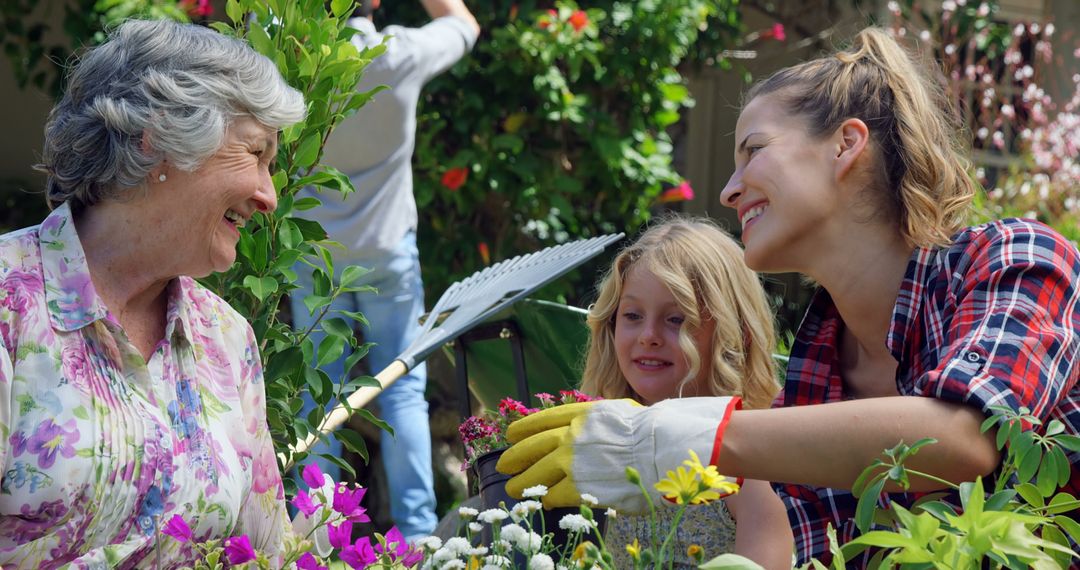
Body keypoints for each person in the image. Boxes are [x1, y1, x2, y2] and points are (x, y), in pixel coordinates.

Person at [497, 27, 1080, 566]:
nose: (727, 191)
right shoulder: (814, 369)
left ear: (845, 145)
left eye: (753, 150)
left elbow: (965, 438)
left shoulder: (1015, 259)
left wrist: (664, 438)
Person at [0, 19, 305, 567]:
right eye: (255, 154)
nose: (269, 196)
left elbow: (267, 556)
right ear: (161, 140)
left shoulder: (226, 338)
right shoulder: (9, 303)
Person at [290, 0, 480, 542]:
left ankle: (313, 538)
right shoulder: (397, 55)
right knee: (402, 391)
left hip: (314, 255)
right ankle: (418, 539)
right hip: (388, 254)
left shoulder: (293, 56)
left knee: (316, 397)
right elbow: (465, 24)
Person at [578, 216, 792, 568]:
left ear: (732, 333)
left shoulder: (750, 461)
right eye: (632, 315)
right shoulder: (613, 437)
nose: (648, 335)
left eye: (676, 319)